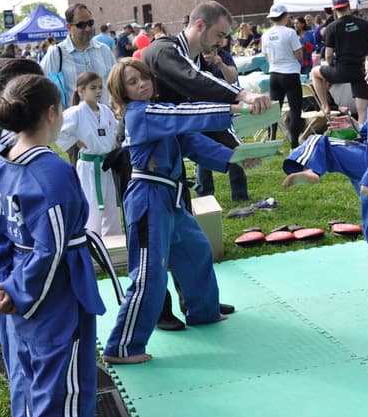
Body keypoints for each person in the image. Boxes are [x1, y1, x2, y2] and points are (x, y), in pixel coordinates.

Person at [102, 58, 255, 364]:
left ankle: (203, 312)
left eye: (143, 78)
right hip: (147, 198)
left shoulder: (156, 111)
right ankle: (122, 347)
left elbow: (192, 141)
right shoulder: (141, 112)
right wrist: (233, 107)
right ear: (122, 91)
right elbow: (186, 116)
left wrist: (235, 158)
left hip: (169, 196)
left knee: (196, 250)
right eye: (132, 82)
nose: (142, 84)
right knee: (149, 272)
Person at [143, 0, 271, 331]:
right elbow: (197, 85)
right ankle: (158, 310)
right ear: (199, 25)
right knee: (154, 246)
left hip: (173, 157)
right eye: (219, 34)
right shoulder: (163, 50)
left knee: (187, 240)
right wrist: (241, 96)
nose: (222, 42)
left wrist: (239, 152)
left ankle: (199, 303)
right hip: (142, 162)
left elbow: (211, 110)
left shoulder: (200, 61)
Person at [0, 73, 106, 415]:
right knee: (63, 392)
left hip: (17, 292)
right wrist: (18, 291)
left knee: (31, 381)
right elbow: (50, 250)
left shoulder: (2, 165)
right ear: (52, 113)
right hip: (55, 297)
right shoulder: (51, 171)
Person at [282, 50, 368, 311]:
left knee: (319, 142)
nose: (367, 78)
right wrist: (353, 125)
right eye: (366, 73)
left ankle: (314, 171)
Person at [0, 58, 45, 417]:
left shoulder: (13, 143)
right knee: (25, 363)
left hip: (4, 264)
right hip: (12, 263)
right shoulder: (16, 146)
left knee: (20, 352)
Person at [56, 71, 122, 236]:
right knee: (93, 206)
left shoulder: (105, 110)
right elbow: (58, 129)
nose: (98, 91)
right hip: (89, 167)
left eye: (100, 87)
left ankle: (113, 243)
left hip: (107, 164)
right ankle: (93, 243)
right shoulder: (76, 112)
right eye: (93, 88)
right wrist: (75, 141)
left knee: (112, 206)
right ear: (81, 91)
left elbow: (116, 130)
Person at [196, 35, 251, 201]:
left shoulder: (224, 56)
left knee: (234, 149)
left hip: (223, 113)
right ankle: (205, 195)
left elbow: (233, 78)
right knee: (203, 154)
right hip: (202, 113)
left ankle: (240, 195)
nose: (210, 51)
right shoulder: (192, 58)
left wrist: (219, 63)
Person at [310, 0, 368, 125]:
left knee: (314, 72)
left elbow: (328, 55)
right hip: (361, 71)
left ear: (334, 9)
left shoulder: (332, 27)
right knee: (362, 110)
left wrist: (329, 68)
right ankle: (361, 137)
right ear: (349, 6)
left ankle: (326, 107)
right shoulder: (364, 23)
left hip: (341, 71)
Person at [40, 4, 116, 109]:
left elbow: (116, 83)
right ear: (69, 27)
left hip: (105, 120)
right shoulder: (57, 53)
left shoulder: (104, 50)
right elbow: (43, 87)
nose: (88, 28)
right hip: (74, 122)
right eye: (81, 25)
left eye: (90, 23)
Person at [262, 5, 304, 149]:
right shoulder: (290, 33)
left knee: (274, 110)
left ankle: (271, 141)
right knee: (295, 110)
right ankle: (294, 144)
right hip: (290, 73)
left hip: (274, 73)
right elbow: (299, 54)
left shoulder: (266, 34)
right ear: (285, 16)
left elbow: (266, 56)